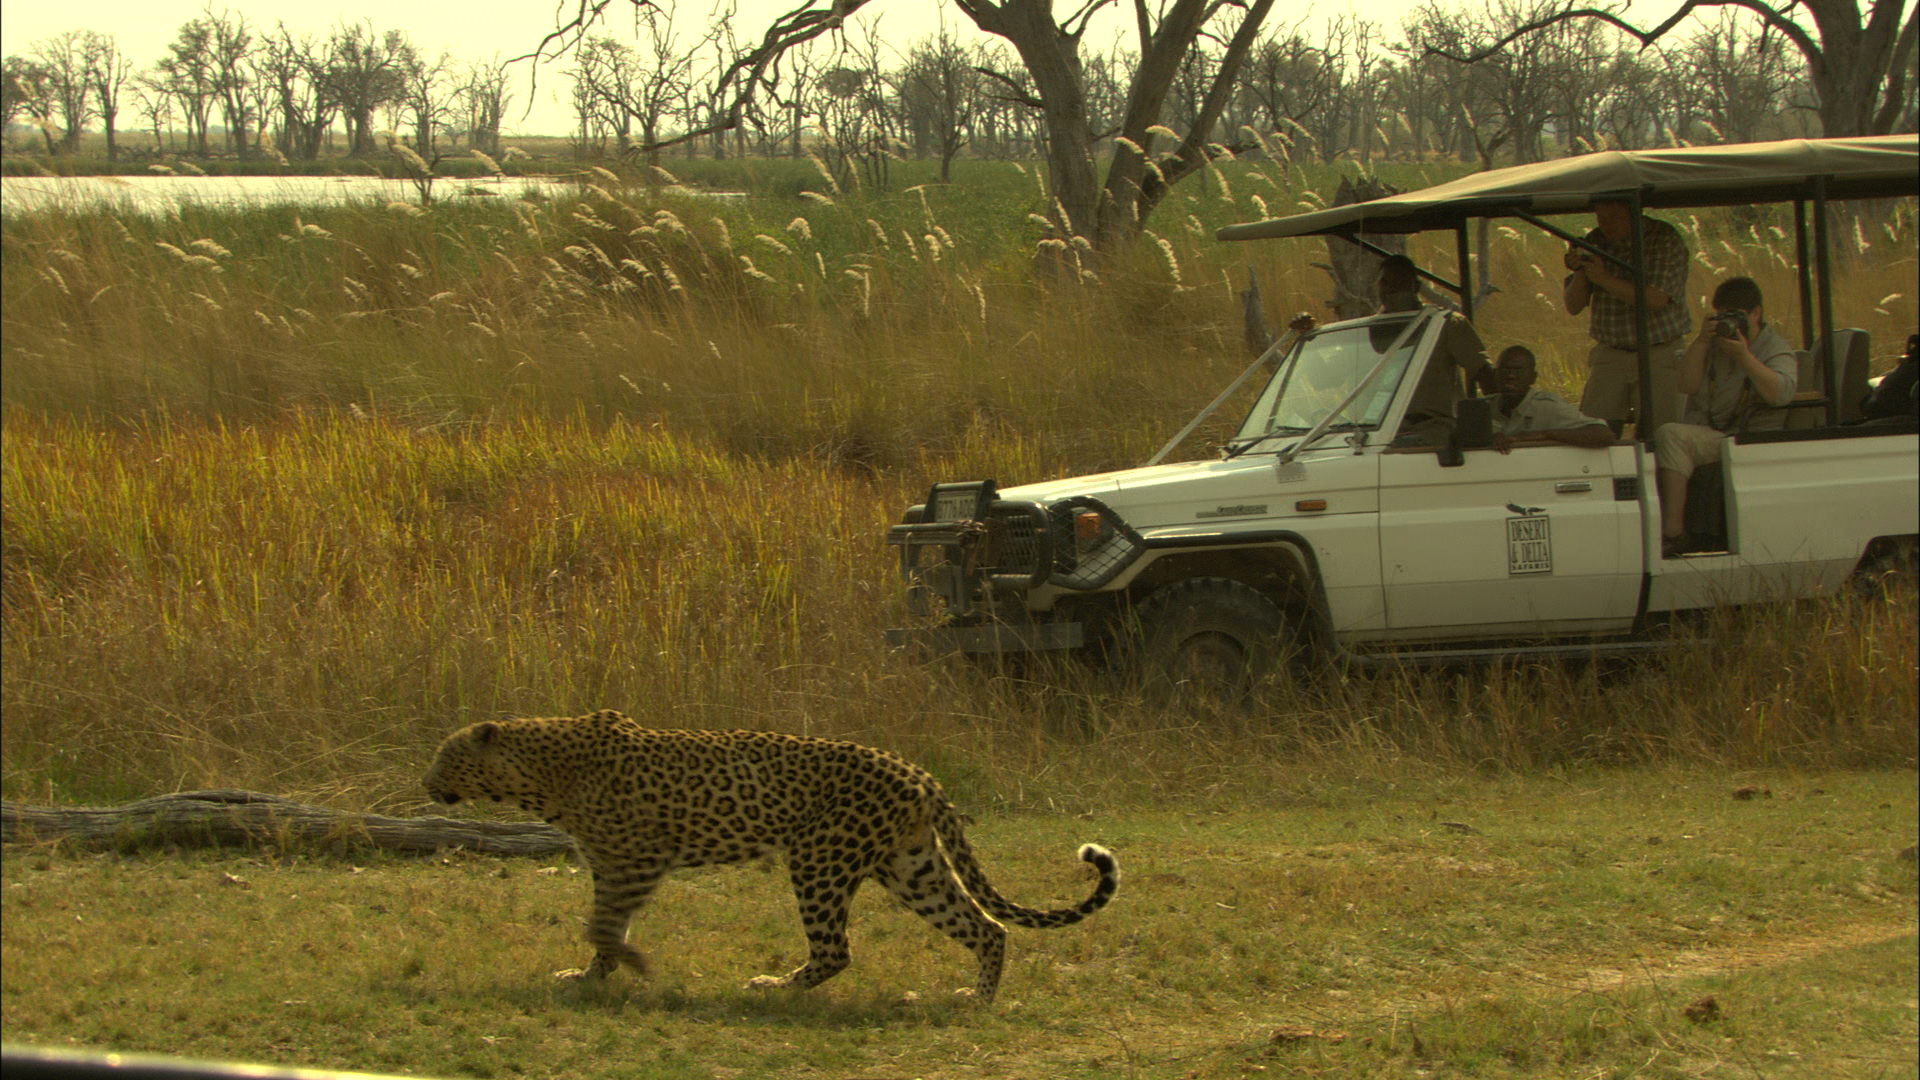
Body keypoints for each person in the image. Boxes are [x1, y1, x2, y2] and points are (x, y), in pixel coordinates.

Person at [1653, 276, 1798, 557]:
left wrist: (1745, 356)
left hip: (1748, 437)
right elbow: (1687, 385)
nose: (1731, 323)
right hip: (1711, 432)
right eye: (1723, 316)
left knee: (1671, 435)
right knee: (1668, 436)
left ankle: (1673, 532)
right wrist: (1702, 342)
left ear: (1757, 313)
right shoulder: (1713, 343)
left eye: (1738, 316)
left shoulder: (1773, 347)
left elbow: (1780, 394)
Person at [1292, 254, 1496, 446]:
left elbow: (1483, 373)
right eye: (1386, 284)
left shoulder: (1444, 324)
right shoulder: (1365, 331)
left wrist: (1497, 425)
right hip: (1372, 432)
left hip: (1430, 430)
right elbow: (1325, 380)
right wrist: (1309, 336)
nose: (1392, 290)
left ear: (1415, 286)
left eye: (1400, 284)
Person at [1563, 198, 1692, 437]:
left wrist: (1603, 278)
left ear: (1634, 213)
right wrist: (1581, 270)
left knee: (1660, 435)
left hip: (1658, 351)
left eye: (1613, 217)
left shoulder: (1662, 239)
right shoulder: (1594, 241)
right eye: (1601, 218)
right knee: (1593, 432)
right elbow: (1573, 305)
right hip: (1610, 352)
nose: (1606, 225)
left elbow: (1656, 300)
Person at [1487, 345, 1616, 453]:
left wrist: (1544, 435)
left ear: (1533, 378)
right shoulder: (1485, 407)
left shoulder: (1547, 407)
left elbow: (1603, 434)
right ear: (1495, 374)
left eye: (1518, 370)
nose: (1511, 376)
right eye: (1505, 370)